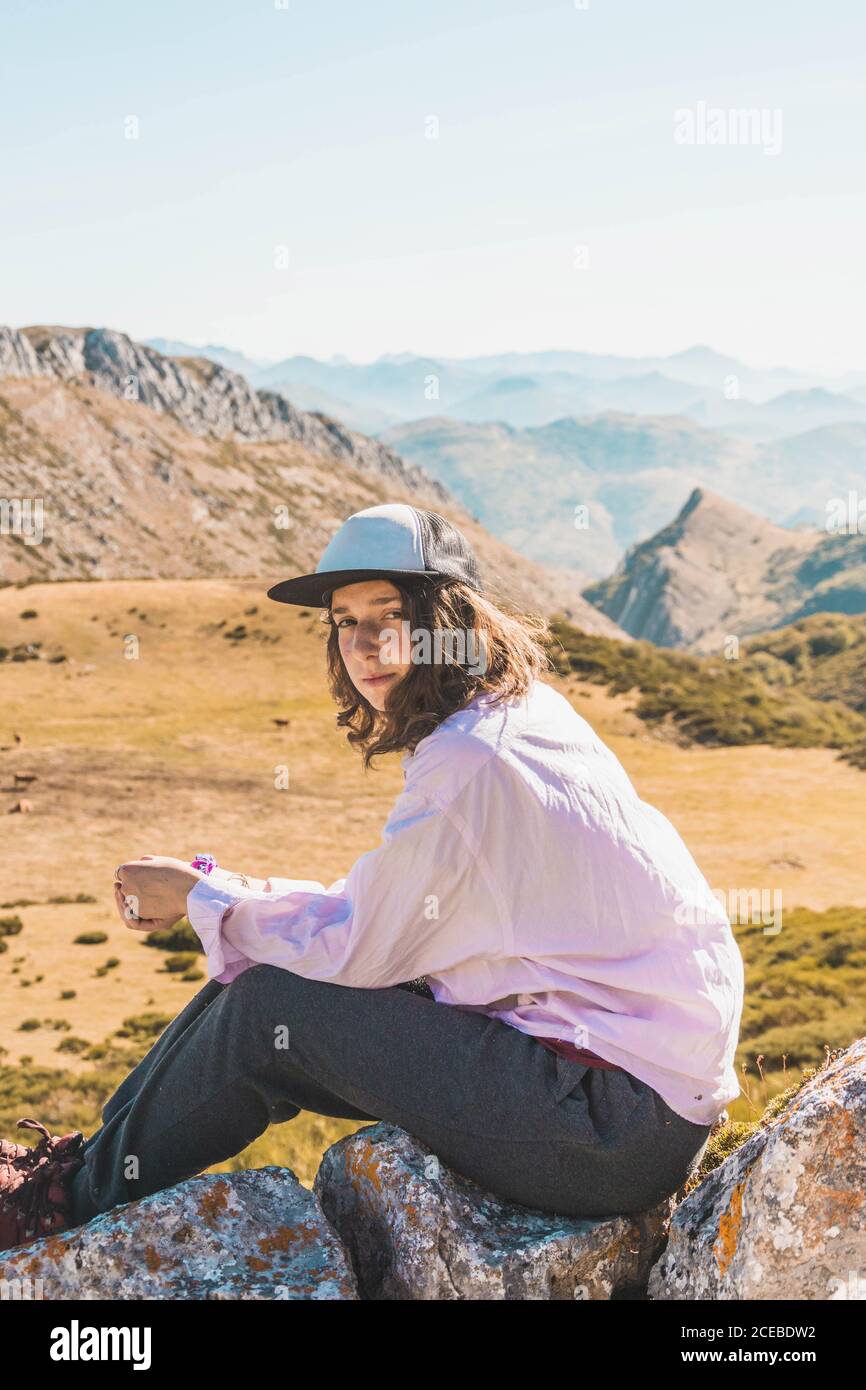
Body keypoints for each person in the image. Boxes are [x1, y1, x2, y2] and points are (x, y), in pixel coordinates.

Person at [0, 503, 744, 1252]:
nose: (364, 644)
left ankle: (65, 1206)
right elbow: (381, 915)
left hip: (610, 1127)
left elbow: (362, 948)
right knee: (260, 967)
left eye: (391, 614)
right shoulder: (516, 713)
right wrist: (228, 892)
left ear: (454, 620)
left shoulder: (470, 762)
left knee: (266, 1008)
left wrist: (203, 896)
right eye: (344, 621)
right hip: (624, 1097)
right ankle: (80, 1166)